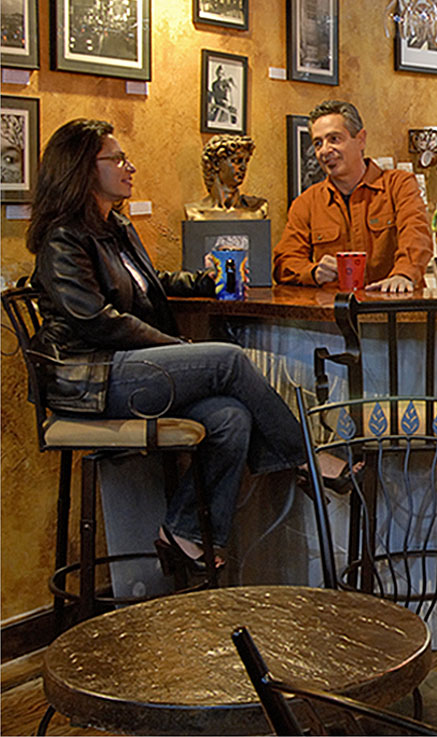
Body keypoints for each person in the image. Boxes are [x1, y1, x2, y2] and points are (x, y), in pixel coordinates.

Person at [25, 119, 350, 571]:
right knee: (229, 360)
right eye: (117, 159)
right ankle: (307, 459)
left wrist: (202, 281)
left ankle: (181, 533)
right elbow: (96, 321)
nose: (129, 166)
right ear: (82, 167)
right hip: (92, 380)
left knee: (230, 418)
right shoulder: (64, 237)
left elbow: (147, 286)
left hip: (129, 369)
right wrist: (172, 345)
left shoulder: (115, 226)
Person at [272, 100, 432, 292]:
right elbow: (285, 262)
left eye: (334, 139)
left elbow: (417, 237)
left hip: (394, 313)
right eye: (318, 143)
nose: (324, 150)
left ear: (361, 139)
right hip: (336, 317)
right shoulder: (306, 203)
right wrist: (312, 272)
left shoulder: (399, 185)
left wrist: (403, 275)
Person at [185, 134, 267, 220]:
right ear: (216, 164)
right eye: (236, 161)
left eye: (246, 161)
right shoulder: (195, 212)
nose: (243, 167)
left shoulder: (257, 208)